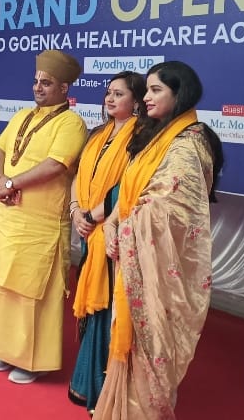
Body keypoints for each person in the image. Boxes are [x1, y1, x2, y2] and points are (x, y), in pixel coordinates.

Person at [93, 61, 223, 420]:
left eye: (155, 90)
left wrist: (124, 227)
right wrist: (113, 223)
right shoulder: (156, 136)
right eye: (146, 89)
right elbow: (130, 191)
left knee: (151, 346)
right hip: (134, 253)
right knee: (128, 344)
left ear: (179, 94)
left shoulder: (188, 144)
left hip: (158, 267)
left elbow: (168, 208)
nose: (146, 97)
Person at [0, 49, 88, 384]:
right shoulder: (21, 115)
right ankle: (6, 350)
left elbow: (56, 165)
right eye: (36, 81)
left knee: (35, 293)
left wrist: (12, 183)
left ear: (64, 88)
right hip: (11, 217)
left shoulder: (71, 122)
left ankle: (35, 361)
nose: (38, 87)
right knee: (6, 285)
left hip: (43, 222)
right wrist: (0, 180)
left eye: (46, 83)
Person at [67, 71, 147, 413]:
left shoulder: (141, 138)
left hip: (113, 233)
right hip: (87, 227)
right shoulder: (97, 133)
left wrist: (93, 216)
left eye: (119, 94)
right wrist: (76, 211)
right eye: (108, 93)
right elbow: (77, 175)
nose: (110, 99)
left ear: (137, 101)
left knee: (107, 310)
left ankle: (102, 391)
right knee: (93, 307)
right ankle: (85, 383)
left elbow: (127, 189)